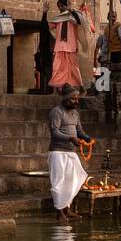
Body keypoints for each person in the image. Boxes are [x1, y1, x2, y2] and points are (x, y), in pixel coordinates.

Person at [47, 88, 92, 220]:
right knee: (58, 182)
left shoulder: (75, 114)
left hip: (71, 152)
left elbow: (79, 131)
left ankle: (67, 208)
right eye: (74, 99)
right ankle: (59, 211)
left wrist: (87, 138)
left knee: (74, 179)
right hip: (58, 152)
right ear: (66, 99)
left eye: (77, 99)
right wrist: (70, 138)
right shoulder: (56, 112)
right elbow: (54, 132)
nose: (76, 101)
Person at [48, 0, 84, 90]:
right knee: (57, 68)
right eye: (59, 6)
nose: (60, 8)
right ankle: (59, 89)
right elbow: (49, 27)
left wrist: (71, 11)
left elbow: (80, 22)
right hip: (60, 47)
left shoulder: (74, 16)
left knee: (73, 69)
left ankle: (80, 88)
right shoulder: (58, 18)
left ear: (67, 5)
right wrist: (44, 14)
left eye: (62, 6)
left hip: (71, 46)